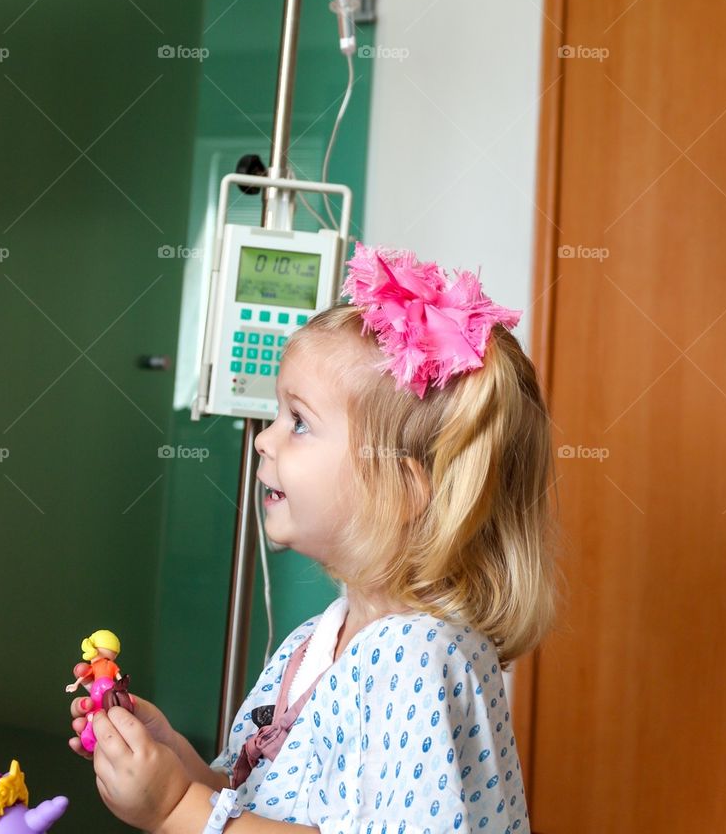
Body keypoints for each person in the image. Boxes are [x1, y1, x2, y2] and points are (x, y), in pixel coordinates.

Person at [69, 243, 559, 834]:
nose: (264, 441)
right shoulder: (320, 641)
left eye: (299, 422)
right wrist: (173, 762)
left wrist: (176, 807)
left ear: (403, 489)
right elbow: (258, 811)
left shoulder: (417, 658)